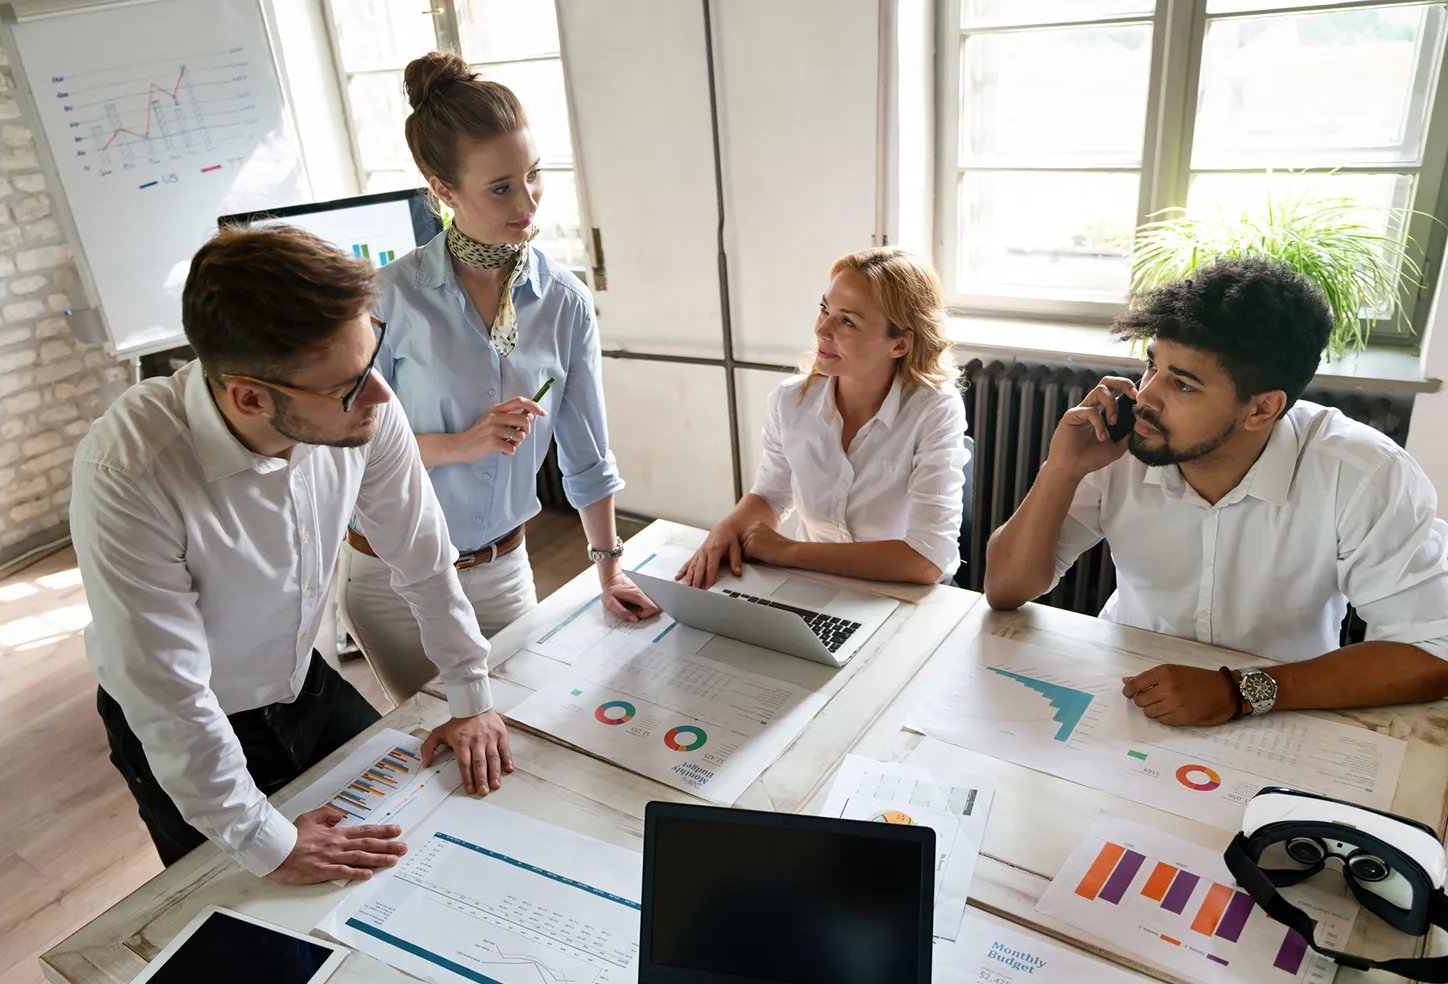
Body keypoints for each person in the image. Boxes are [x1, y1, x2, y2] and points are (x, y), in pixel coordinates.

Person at [71, 225, 513, 884]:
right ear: (250, 397)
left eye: (373, 351)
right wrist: (267, 842)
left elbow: (422, 559)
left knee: (416, 837)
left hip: (302, 678)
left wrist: (470, 694)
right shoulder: (128, 468)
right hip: (183, 714)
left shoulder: (364, 405)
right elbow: (170, 693)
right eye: (348, 385)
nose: (381, 394)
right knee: (237, 903)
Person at [985, 257, 1448, 726]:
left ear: (1261, 410)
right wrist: (1062, 470)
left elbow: (1434, 652)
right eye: (1151, 366)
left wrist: (1238, 690)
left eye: (1183, 384)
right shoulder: (1120, 444)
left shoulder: (1362, 473)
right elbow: (1004, 589)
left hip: (1285, 706)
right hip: (1127, 688)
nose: (1146, 397)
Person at [337, 51, 658, 704]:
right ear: (443, 190)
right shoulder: (387, 299)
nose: (529, 202)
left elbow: (588, 454)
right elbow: (346, 449)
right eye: (502, 188)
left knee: (522, 725)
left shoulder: (563, 301)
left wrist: (608, 569)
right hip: (393, 579)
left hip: (503, 568)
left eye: (534, 175)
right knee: (444, 736)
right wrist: (462, 444)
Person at [678, 247, 969, 588]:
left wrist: (788, 551)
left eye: (847, 321)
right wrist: (726, 528)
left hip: (910, 594)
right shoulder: (790, 401)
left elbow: (926, 560)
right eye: (824, 309)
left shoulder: (935, 409)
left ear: (899, 345)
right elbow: (771, 496)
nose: (821, 330)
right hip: (820, 584)